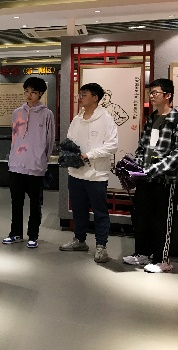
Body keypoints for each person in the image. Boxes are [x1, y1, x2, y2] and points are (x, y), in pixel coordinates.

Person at [59, 83, 118, 263]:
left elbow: (112, 146)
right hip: (76, 172)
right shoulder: (77, 119)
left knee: (100, 212)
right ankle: (79, 240)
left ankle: (101, 246)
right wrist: (71, 154)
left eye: (84, 94)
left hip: (97, 174)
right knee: (78, 210)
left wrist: (88, 155)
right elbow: (69, 140)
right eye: (80, 94)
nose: (80, 97)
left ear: (95, 97)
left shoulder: (106, 119)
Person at [123, 79, 177, 273]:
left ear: (168, 95)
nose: (152, 96)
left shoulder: (175, 119)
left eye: (156, 93)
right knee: (141, 216)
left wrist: (153, 169)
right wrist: (137, 166)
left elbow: (176, 154)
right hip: (145, 177)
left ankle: (162, 260)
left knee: (161, 220)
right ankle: (142, 253)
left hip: (164, 179)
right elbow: (143, 146)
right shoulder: (152, 118)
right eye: (151, 93)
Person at [2, 77, 55, 249]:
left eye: (33, 92)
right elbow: (14, 137)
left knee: (35, 204)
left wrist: (43, 160)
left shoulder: (47, 114)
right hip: (16, 165)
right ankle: (15, 233)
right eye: (26, 91)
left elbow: (50, 140)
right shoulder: (17, 112)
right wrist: (12, 158)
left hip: (36, 166)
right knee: (16, 203)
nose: (29, 95)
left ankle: (33, 235)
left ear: (40, 94)